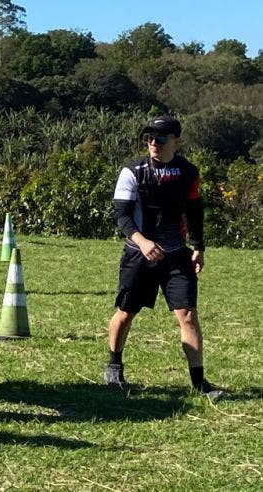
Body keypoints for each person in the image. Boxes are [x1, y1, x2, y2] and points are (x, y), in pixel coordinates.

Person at [105, 115, 224, 400]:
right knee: (126, 312)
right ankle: (114, 365)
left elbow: (194, 210)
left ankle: (199, 384)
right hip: (138, 255)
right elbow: (121, 215)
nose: (152, 144)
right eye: (148, 139)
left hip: (175, 256)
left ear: (176, 141)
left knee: (188, 315)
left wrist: (198, 246)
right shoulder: (132, 171)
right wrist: (142, 242)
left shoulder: (188, 172)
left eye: (159, 139)